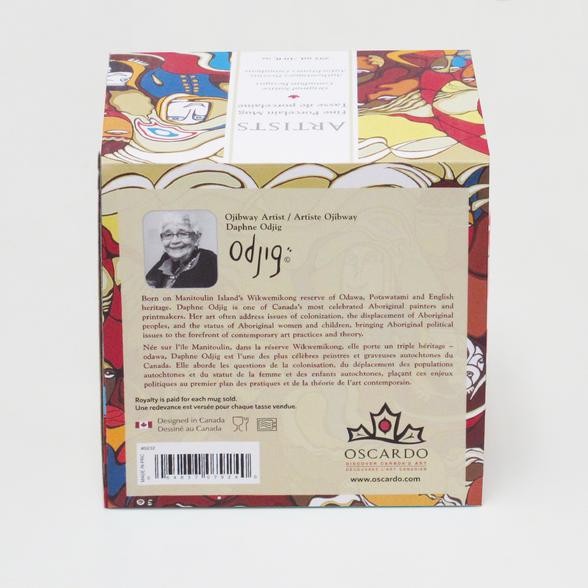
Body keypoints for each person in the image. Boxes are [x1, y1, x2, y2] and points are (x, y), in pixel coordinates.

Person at [146, 212, 217, 288]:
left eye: (183, 234)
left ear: (197, 238)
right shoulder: (165, 260)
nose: (175, 241)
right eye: (168, 234)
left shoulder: (210, 262)